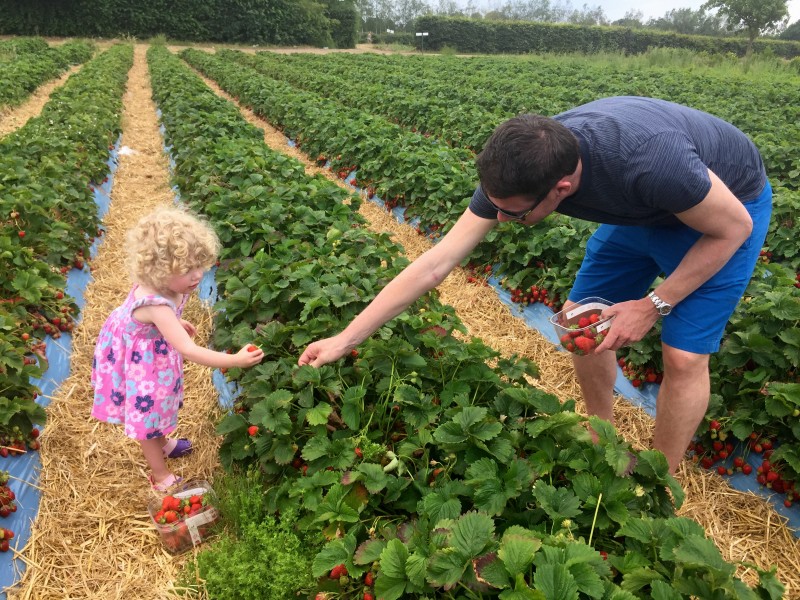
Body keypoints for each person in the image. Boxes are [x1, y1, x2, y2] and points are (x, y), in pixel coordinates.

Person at [298, 96, 772, 474]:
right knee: (578, 321)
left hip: (724, 210)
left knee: (684, 356)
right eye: (496, 206)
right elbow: (435, 263)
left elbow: (732, 229)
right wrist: (346, 338)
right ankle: (600, 436)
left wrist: (653, 304)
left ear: (561, 188)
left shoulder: (649, 162)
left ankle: (658, 479)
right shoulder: (520, 170)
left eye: (513, 213)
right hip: (644, 208)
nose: (500, 218)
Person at [91, 206, 264, 491]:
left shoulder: (167, 288)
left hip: (146, 350)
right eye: (187, 270)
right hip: (139, 363)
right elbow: (189, 350)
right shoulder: (155, 304)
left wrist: (177, 321)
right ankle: (159, 474)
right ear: (158, 271)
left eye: (200, 265)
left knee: (158, 407)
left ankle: (166, 443)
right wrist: (235, 360)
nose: (197, 275)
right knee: (147, 415)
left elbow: (156, 320)